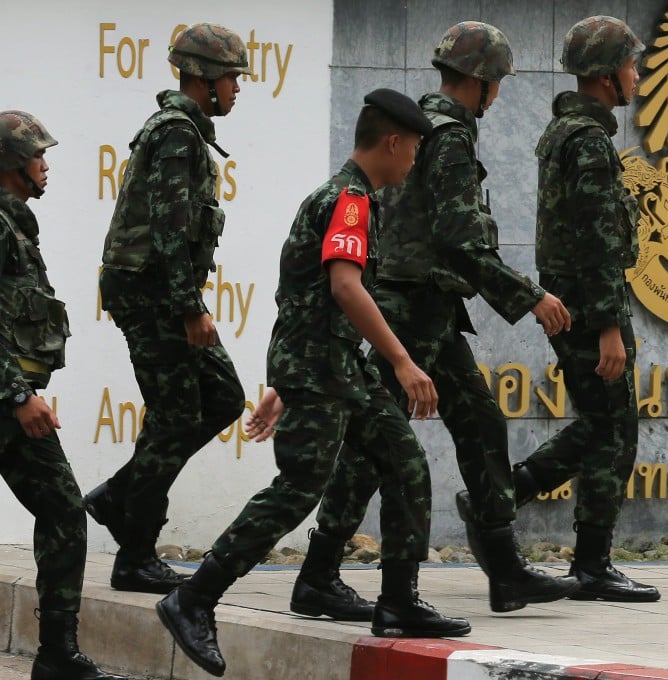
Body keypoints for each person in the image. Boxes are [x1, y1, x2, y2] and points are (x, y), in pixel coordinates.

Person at [155, 88, 469, 678]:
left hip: (329, 366)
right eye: (414, 150)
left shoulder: (342, 197)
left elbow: (298, 294)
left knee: (404, 462)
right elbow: (344, 288)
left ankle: (398, 602)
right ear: (394, 142)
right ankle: (193, 599)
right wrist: (402, 360)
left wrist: (281, 380)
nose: (414, 163)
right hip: (324, 368)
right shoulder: (349, 200)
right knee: (299, 488)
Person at [289, 21, 579, 617]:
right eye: (496, 80)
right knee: (383, 446)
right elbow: (458, 240)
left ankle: (503, 569)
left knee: (479, 422)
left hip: (431, 308)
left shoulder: (431, 126)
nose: (497, 91)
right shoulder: (447, 136)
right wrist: (530, 298)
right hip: (414, 306)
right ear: (482, 82)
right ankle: (325, 574)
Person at [475, 15, 662, 603]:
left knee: (604, 424)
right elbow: (595, 236)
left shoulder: (570, 131)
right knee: (614, 427)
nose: (637, 75)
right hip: (588, 301)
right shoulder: (585, 141)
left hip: (577, 294)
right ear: (608, 76)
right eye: (631, 65)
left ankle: (513, 501)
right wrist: (607, 322)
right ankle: (587, 562)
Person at [85, 23, 250, 595]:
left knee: (224, 398)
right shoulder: (177, 132)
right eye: (232, 77)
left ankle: (121, 494)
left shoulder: (183, 131)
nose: (237, 88)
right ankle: (134, 554)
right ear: (204, 78)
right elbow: (168, 229)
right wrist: (189, 307)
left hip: (158, 292)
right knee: (176, 415)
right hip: (155, 294)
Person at [0, 110, 128, 680]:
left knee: (61, 511)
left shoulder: (14, 223)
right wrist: (17, 394)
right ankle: (56, 655)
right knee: (63, 511)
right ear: (10, 163)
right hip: (8, 402)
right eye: (37, 155)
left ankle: (57, 654)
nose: (45, 165)